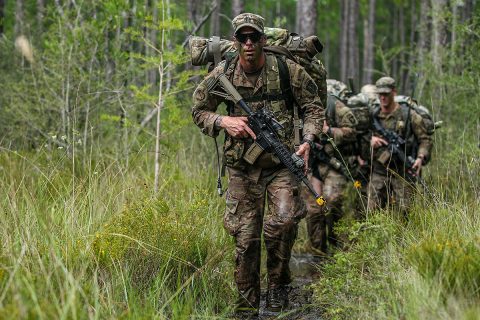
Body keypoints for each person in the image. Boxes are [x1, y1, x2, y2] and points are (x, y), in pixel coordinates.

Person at [191, 13, 325, 316]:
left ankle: (278, 289)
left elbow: (313, 108)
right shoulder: (223, 73)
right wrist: (224, 120)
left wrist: (308, 140)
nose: (249, 43)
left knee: (283, 223)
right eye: (243, 38)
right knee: (246, 236)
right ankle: (247, 306)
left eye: (254, 37)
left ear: (264, 40)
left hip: (281, 163)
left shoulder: (286, 69)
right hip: (241, 167)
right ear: (236, 41)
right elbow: (199, 110)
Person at [302, 92, 358, 256]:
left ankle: (335, 245)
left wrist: (329, 130)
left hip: (333, 163)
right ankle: (318, 252)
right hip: (311, 165)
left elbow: (353, 132)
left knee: (332, 201)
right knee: (314, 209)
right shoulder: (299, 100)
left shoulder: (336, 106)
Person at [367, 76, 432, 214]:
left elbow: (425, 139)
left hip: (403, 171)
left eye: (386, 94)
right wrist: (370, 140)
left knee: (405, 212)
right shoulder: (373, 115)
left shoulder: (409, 115)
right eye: (380, 94)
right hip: (379, 171)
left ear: (394, 92)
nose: (383, 98)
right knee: (372, 211)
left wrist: (420, 157)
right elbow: (359, 136)